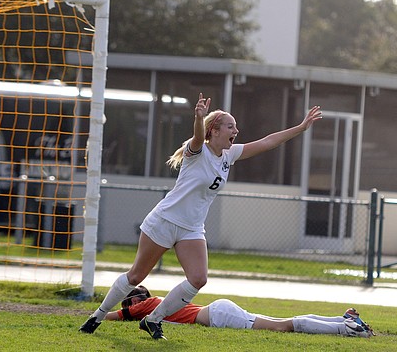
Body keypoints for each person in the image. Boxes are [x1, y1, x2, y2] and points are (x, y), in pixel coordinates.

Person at [79, 93, 323, 339]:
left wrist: (301, 128)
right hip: (165, 220)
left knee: (198, 279)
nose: (236, 130)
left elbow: (268, 142)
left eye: (235, 126)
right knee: (136, 276)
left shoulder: (228, 155)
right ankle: (97, 316)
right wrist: (198, 118)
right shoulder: (196, 150)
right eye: (230, 126)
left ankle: (153, 320)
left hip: (192, 228)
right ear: (215, 131)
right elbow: (197, 136)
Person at [101, 285, 374, 338]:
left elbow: (113, 317)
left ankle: (344, 328)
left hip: (219, 315)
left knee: (282, 326)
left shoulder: (149, 306)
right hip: (219, 310)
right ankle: (344, 319)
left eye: (130, 304)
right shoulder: (155, 305)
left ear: (138, 301)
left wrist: (97, 315)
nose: (129, 309)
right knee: (280, 322)